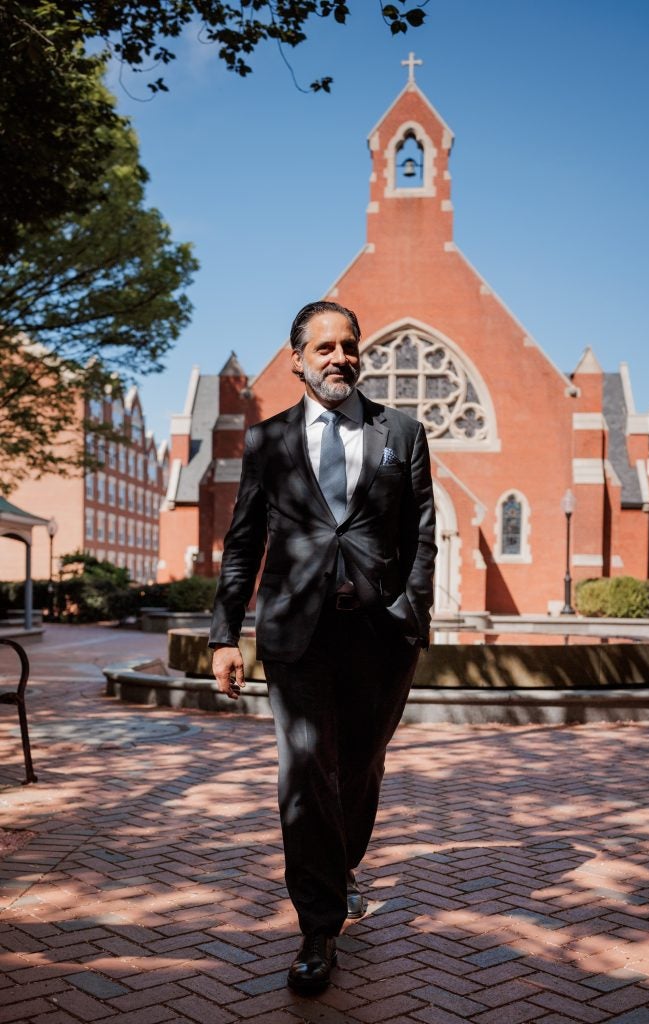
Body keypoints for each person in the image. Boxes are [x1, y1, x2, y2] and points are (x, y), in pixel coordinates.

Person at [209, 300, 436, 994]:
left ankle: (338, 869)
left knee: (360, 768)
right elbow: (243, 542)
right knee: (306, 772)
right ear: (297, 360)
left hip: (379, 635)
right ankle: (317, 928)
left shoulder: (402, 431)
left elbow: (423, 533)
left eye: (350, 346)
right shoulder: (267, 440)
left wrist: (413, 612)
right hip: (295, 635)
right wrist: (223, 634)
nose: (341, 357)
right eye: (325, 348)